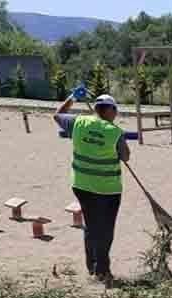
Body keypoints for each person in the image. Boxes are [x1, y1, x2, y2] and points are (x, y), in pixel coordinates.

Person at [54, 85, 129, 286]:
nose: (116, 114)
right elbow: (126, 156)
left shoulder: (79, 122)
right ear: (109, 110)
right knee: (105, 229)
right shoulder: (115, 132)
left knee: (91, 225)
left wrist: (72, 97)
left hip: (82, 185)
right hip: (108, 189)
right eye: (115, 110)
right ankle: (103, 270)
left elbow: (58, 115)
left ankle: (92, 266)